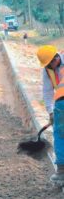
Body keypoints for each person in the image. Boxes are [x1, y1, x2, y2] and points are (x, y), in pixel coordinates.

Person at [37, 45, 64, 184]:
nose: (48, 66)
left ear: (56, 58)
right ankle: (61, 170)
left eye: (49, 63)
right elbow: (47, 92)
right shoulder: (47, 70)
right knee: (60, 134)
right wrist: (50, 111)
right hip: (61, 104)